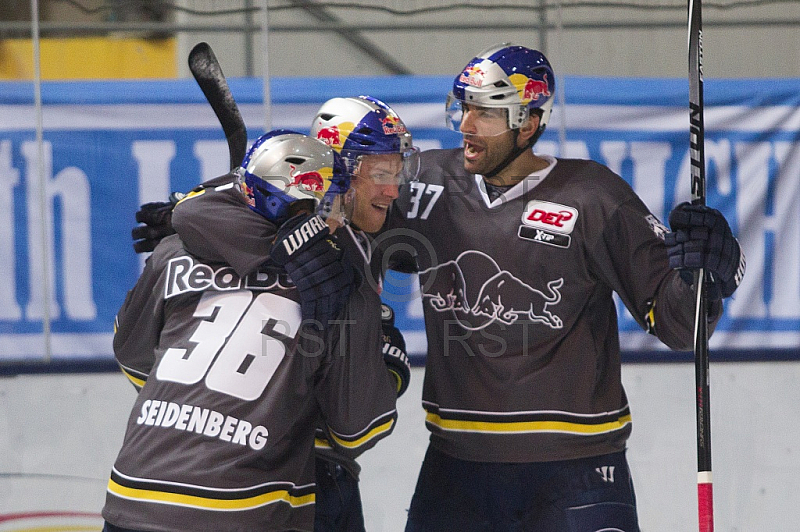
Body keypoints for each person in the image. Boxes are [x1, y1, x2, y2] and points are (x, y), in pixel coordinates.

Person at [374, 43, 745, 531]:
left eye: (484, 112)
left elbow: (678, 322)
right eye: (463, 107)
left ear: (527, 123)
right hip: (455, 471)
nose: (465, 125)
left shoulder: (593, 196)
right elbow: (354, 233)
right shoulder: (425, 183)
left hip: (579, 474)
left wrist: (708, 277)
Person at [130, 96, 418, 532]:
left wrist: (185, 211)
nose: (393, 190)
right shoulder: (259, 222)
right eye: (381, 173)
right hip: (279, 473)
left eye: (397, 172)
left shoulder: (354, 223)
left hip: (303, 464)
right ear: (336, 171)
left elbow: (203, 208)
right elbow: (360, 424)